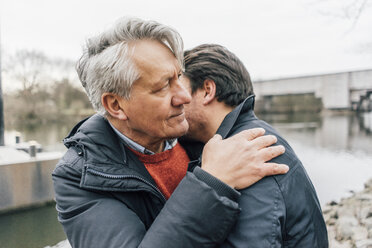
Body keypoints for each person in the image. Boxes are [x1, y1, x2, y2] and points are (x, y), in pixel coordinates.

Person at [52, 17, 289, 248]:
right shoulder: (79, 179)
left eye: (178, 77)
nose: (185, 97)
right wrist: (213, 182)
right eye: (163, 86)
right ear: (116, 105)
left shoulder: (195, 136)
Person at [181, 44, 329, 247]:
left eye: (180, 88)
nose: (175, 99)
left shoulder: (250, 150)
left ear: (207, 90)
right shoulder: (240, 139)